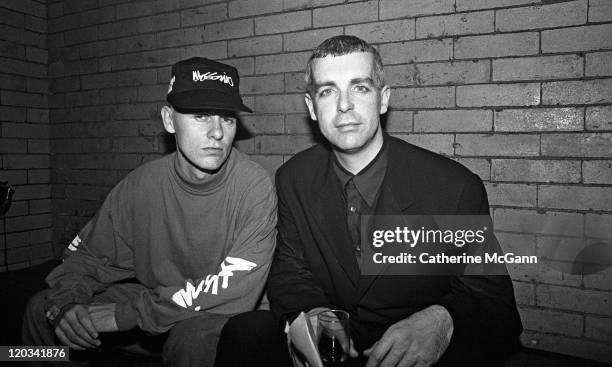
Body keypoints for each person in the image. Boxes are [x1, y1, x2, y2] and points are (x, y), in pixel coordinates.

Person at [216, 35, 522, 367]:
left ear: (383, 99)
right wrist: (316, 314)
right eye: (328, 91)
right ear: (311, 108)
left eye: (359, 88)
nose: (344, 105)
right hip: (336, 344)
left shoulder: (452, 187)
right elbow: (291, 270)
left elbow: (495, 303)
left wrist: (442, 319)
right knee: (246, 332)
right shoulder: (293, 178)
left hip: (415, 353)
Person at [22, 57, 277, 367]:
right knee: (42, 309)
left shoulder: (253, 186)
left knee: (193, 338)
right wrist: (66, 303)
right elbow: (88, 257)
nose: (217, 133)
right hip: (155, 306)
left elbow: (233, 292)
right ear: (169, 120)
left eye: (227, 118)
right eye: (200, 116)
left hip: (217, 316)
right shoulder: (141, 184)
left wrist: (125, 315)